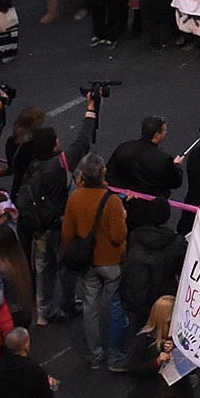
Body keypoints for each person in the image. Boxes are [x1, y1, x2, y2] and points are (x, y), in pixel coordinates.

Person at [61, 153, 128, 371]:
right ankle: (115, 355)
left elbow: (67, 234)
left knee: (90, 307)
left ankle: (95, 354)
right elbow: (118, 236)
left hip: (87, 262)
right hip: (111, 262)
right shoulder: (113, 201)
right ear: (103, 173)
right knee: (113, 307)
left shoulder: (75, 198)